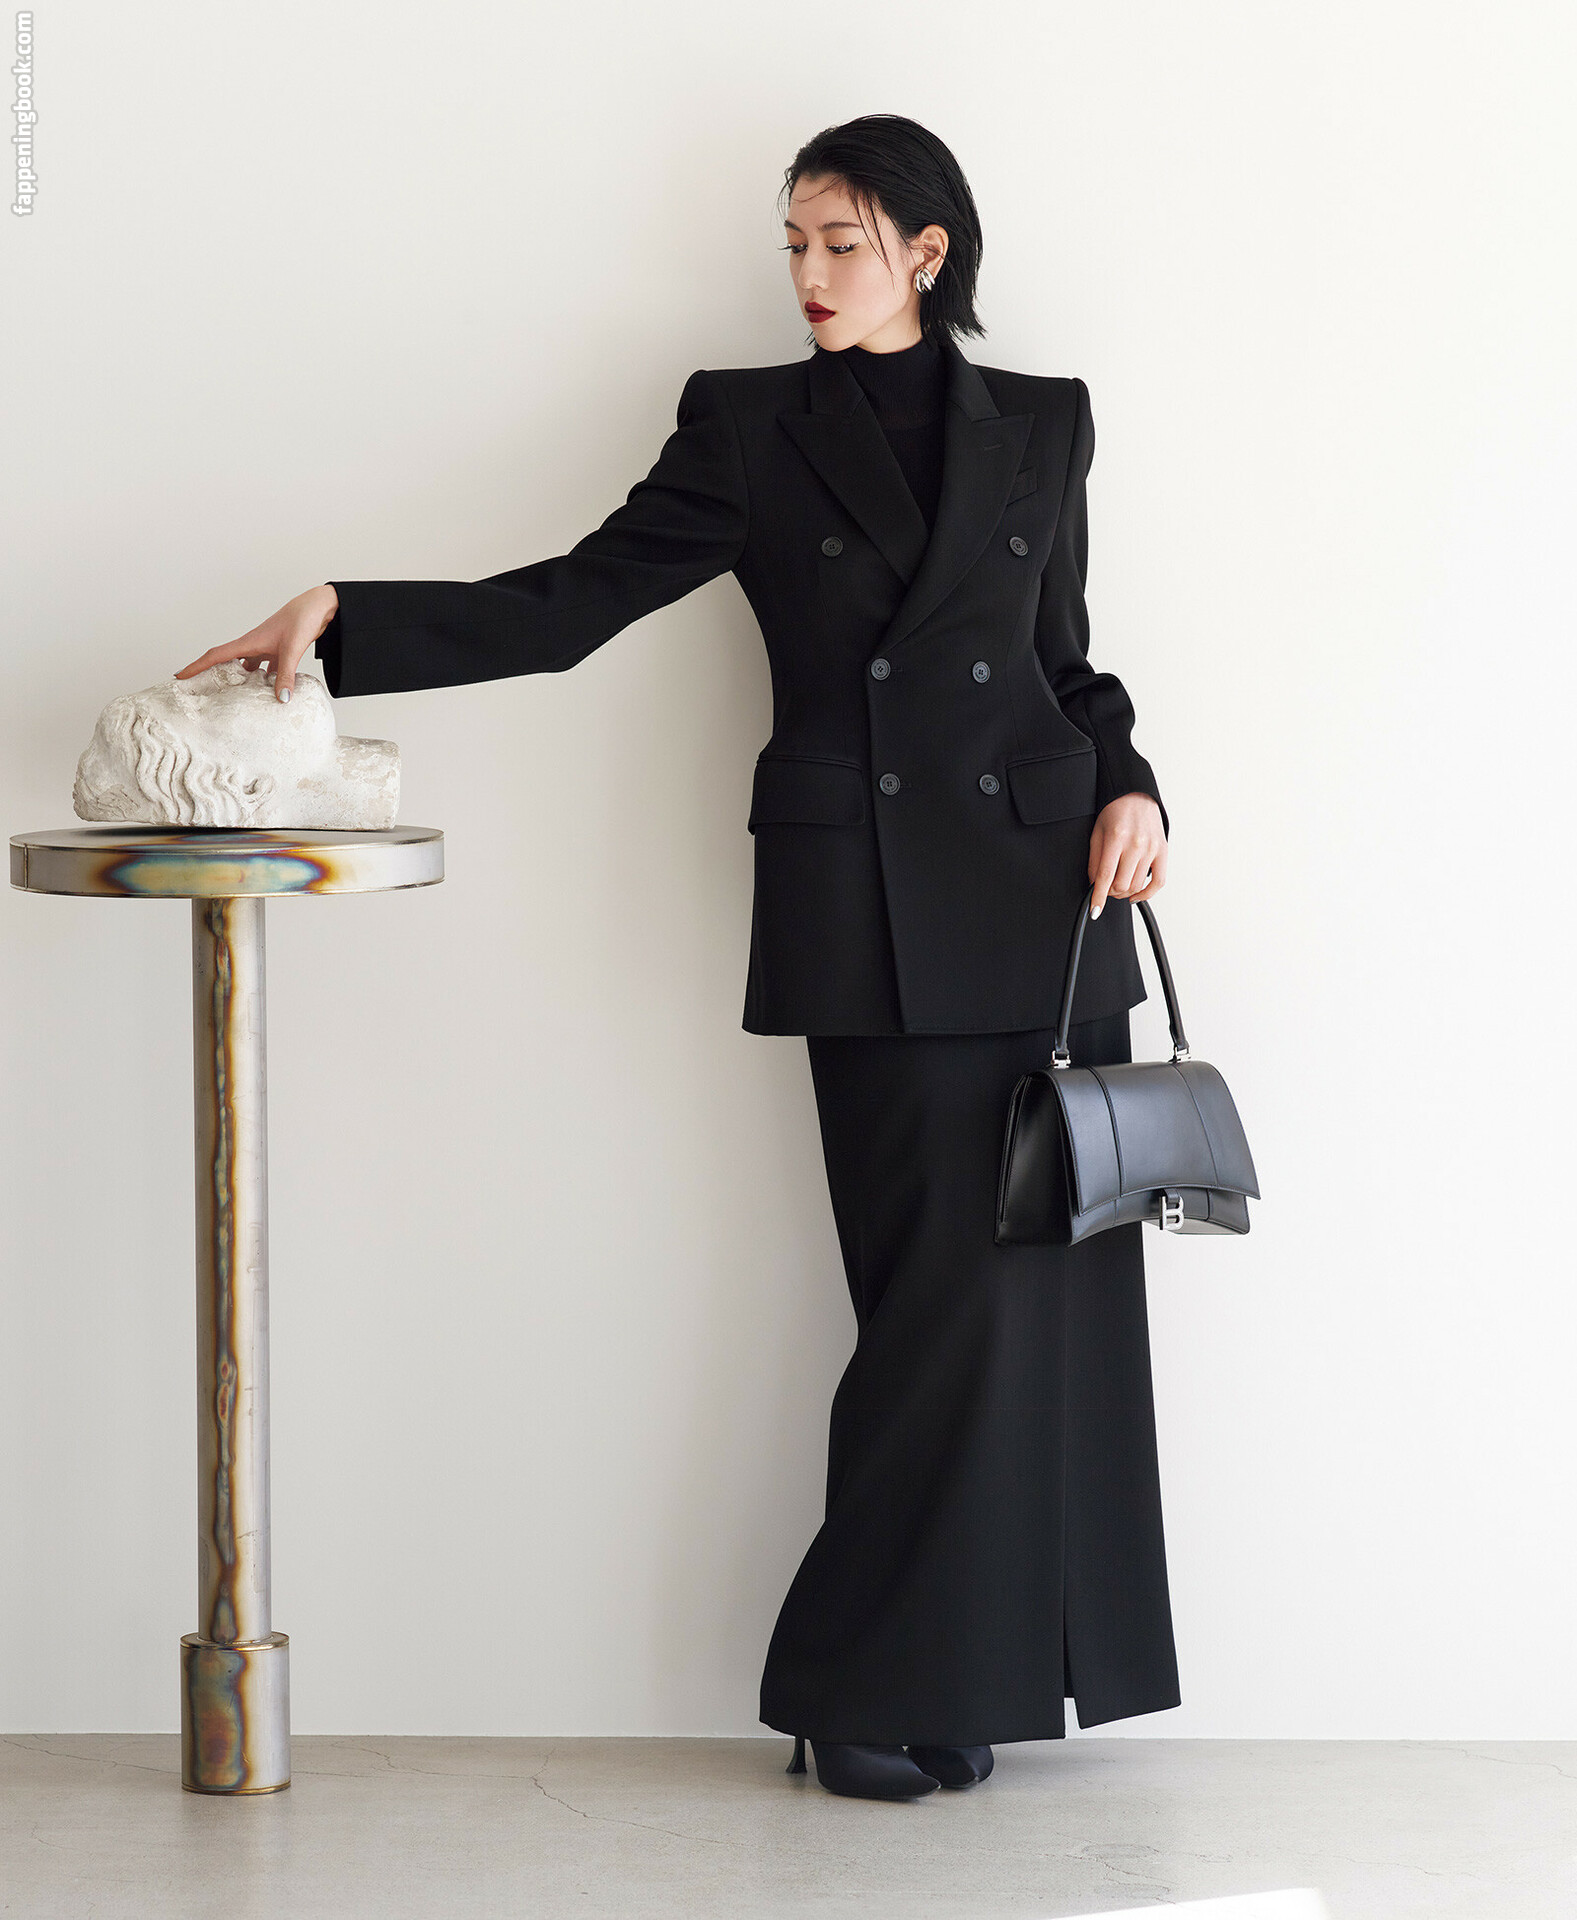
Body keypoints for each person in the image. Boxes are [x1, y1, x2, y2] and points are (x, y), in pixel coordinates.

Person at [175, 113, 1179, 1802]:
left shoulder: (1045, 423)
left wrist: (1134, 782)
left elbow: (1064, 664)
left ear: (926, 252)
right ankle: (852, 1688)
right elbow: (573, 603)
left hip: (1043, 899)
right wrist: (345, 620)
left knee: (1029, 1317)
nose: (807, 274)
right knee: (927, 1310)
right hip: (871, 917)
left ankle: (958, 1683)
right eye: (793, 243)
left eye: (839, 243)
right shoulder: (750, 425)